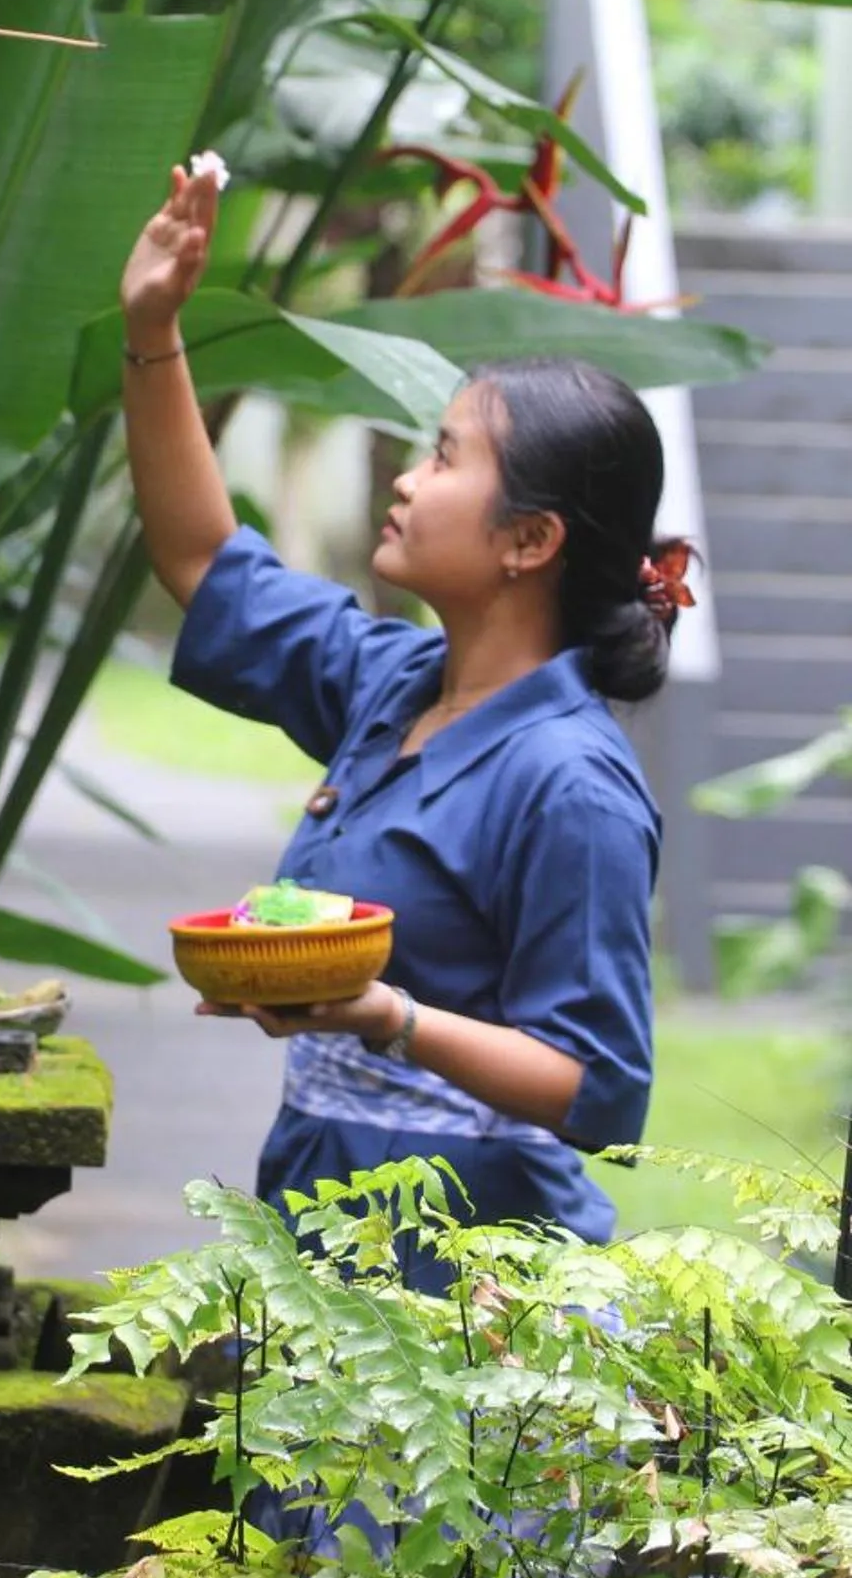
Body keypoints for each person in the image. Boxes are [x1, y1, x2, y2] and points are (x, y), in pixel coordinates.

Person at [121, 161, 693, 1283]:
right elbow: (202, 556)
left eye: (441, 459)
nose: (403, 480)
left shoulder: (572, 783)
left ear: (528, 542)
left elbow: (602, 1089)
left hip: (475, 1307)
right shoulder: (390, 687)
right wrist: (156, 331)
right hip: (321, 1250)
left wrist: (387, 1015)